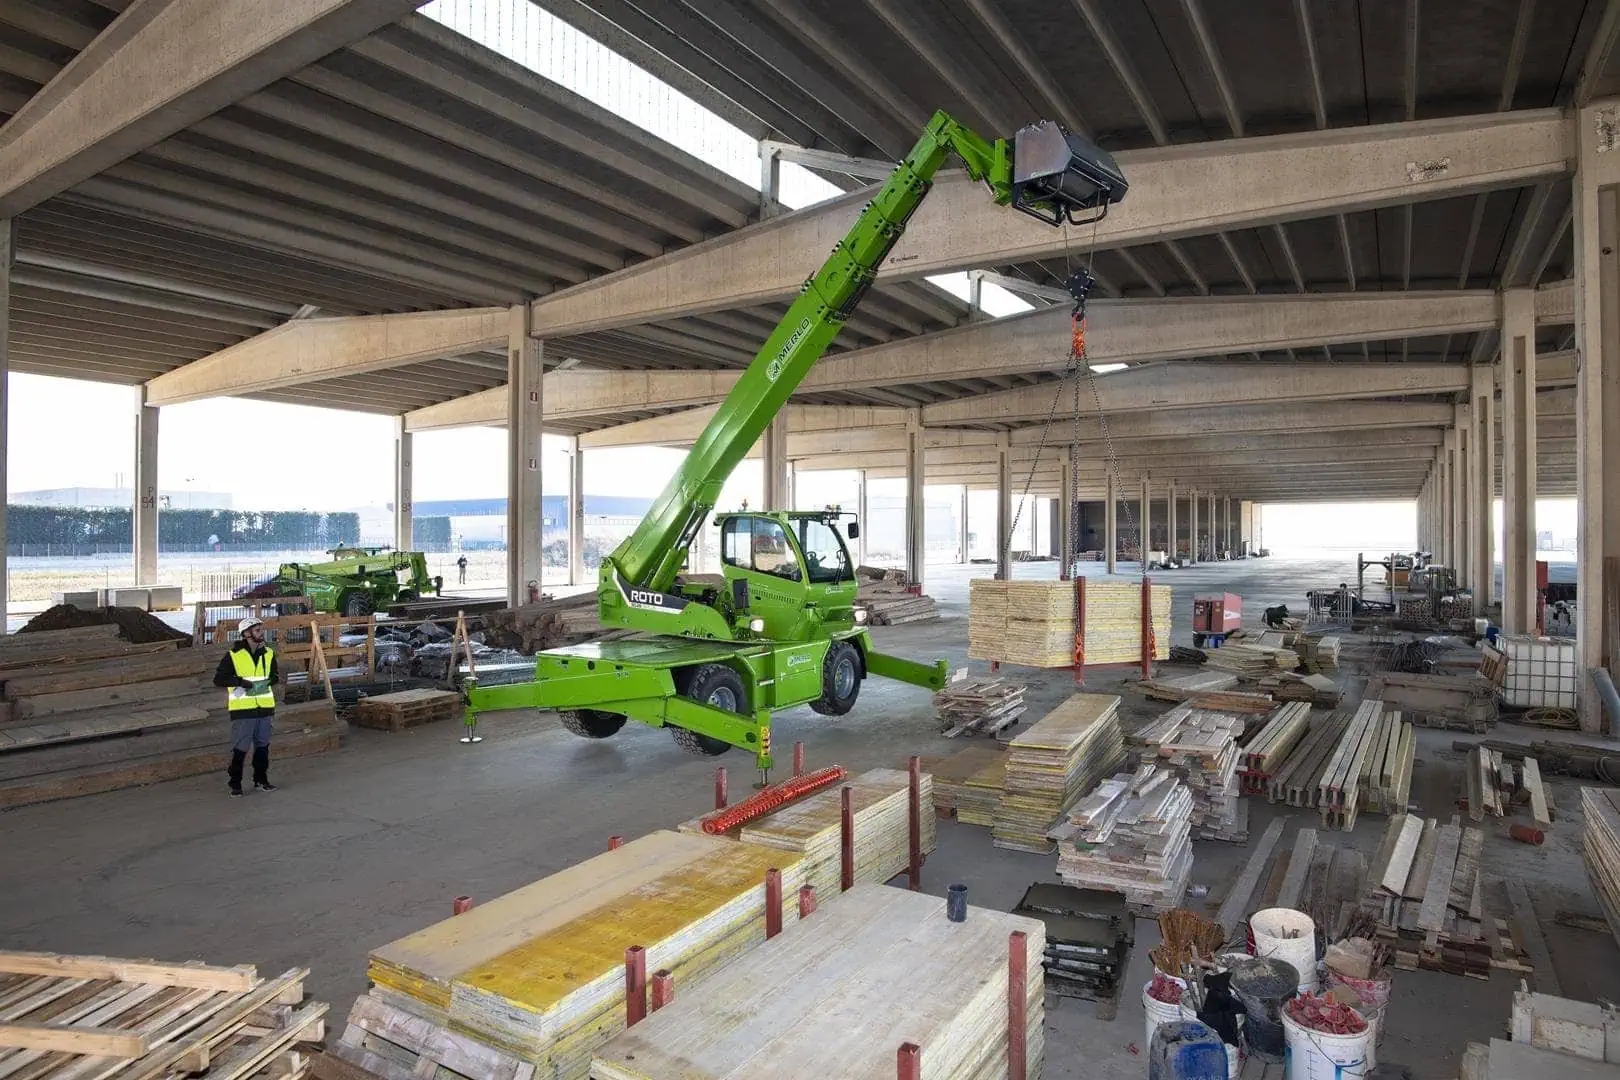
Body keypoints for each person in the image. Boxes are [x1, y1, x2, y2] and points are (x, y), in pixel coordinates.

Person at [213, 616, 279, 797]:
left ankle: (261, 780)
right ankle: (235, 783)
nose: (262, 633)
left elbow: (275, 676)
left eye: (261, 629)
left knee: (262, 747)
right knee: (241, 748)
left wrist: (269, 681)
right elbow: (219, 679)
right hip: (243, 709)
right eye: (257, 630)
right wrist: (241, 682)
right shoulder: (233, 656)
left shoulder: (269, 654)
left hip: (264, 707)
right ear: (247, 634)